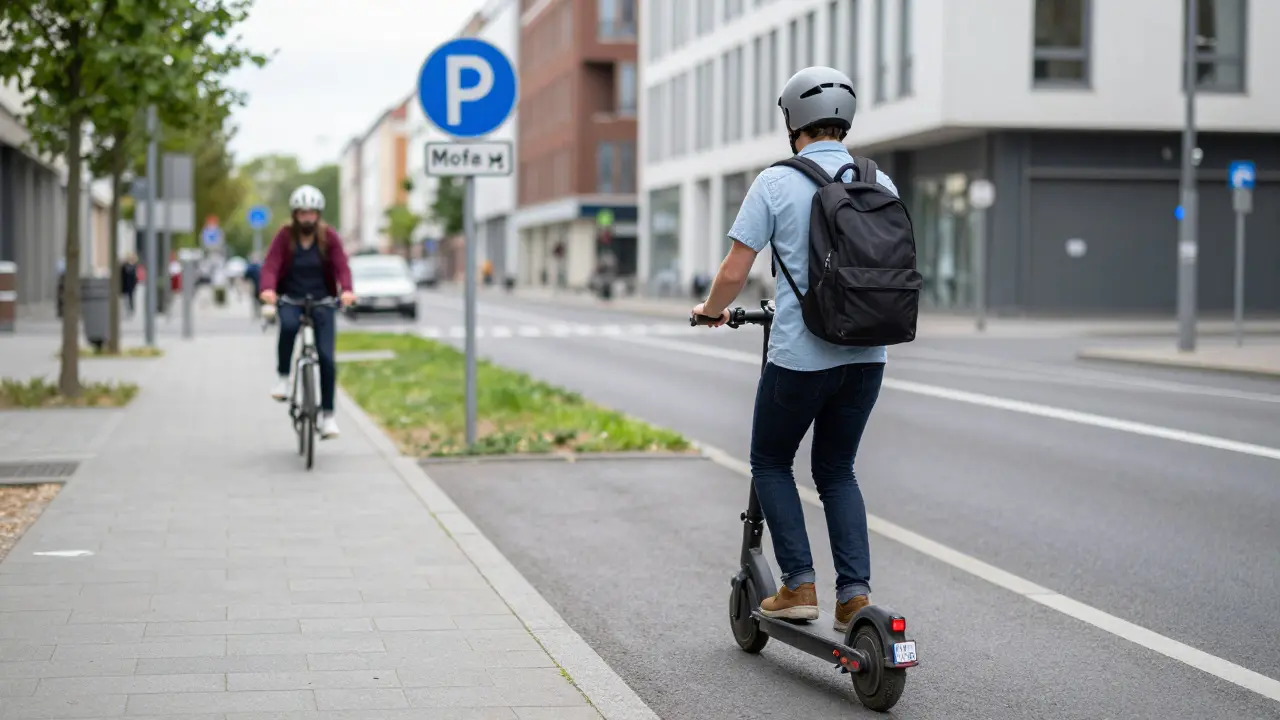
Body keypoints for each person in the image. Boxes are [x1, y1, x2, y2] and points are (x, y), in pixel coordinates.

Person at [692, 66, 899, 633]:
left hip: (801, 355)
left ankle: (799, 584)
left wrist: (711, 311)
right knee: (837, 471)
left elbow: (737, 269)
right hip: (867, 354)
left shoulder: (776, 182)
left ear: (793, 123)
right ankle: (854, 596)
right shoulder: (880, 182)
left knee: (770, 460)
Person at [258, 184, 355, 439]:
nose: (307, 218)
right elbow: (271, 264)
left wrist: (346, 290)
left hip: (323, 301)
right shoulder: (285, 237)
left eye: (311, 213)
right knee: (288, 327)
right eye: (302, 213)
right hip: (291, 298)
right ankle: (283, 378)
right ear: (294, 214)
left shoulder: (328, 237)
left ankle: (328, 417)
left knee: (326, 358)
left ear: (318, 214)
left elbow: (341, 266)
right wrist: (268, 288)